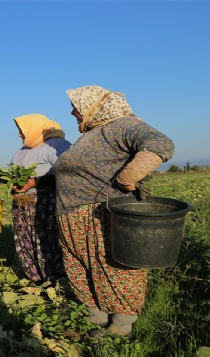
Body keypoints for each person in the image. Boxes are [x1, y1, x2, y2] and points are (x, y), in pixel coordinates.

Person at [53, 85, 175, 337]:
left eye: (76, 106)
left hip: (102, 213)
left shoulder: (120, 126)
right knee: (80, 266)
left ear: (94, 106)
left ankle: (121, 326)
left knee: (113, 268)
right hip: (72, 215)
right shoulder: (92, 133)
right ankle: (95, 319)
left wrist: (128, 179)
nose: (72, 112)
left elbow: (160, 144)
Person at [0, 114, 71, 283]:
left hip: (44, 203)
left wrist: (33, 183)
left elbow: (67, 174)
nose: (19, 135)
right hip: (22, 204)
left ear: (35, 128)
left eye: (22, 130)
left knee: (46, 239)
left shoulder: (56, 145)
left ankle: (57, 279)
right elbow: (13, 177)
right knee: (25, 238)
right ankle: (35, 276)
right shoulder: (22, 151)